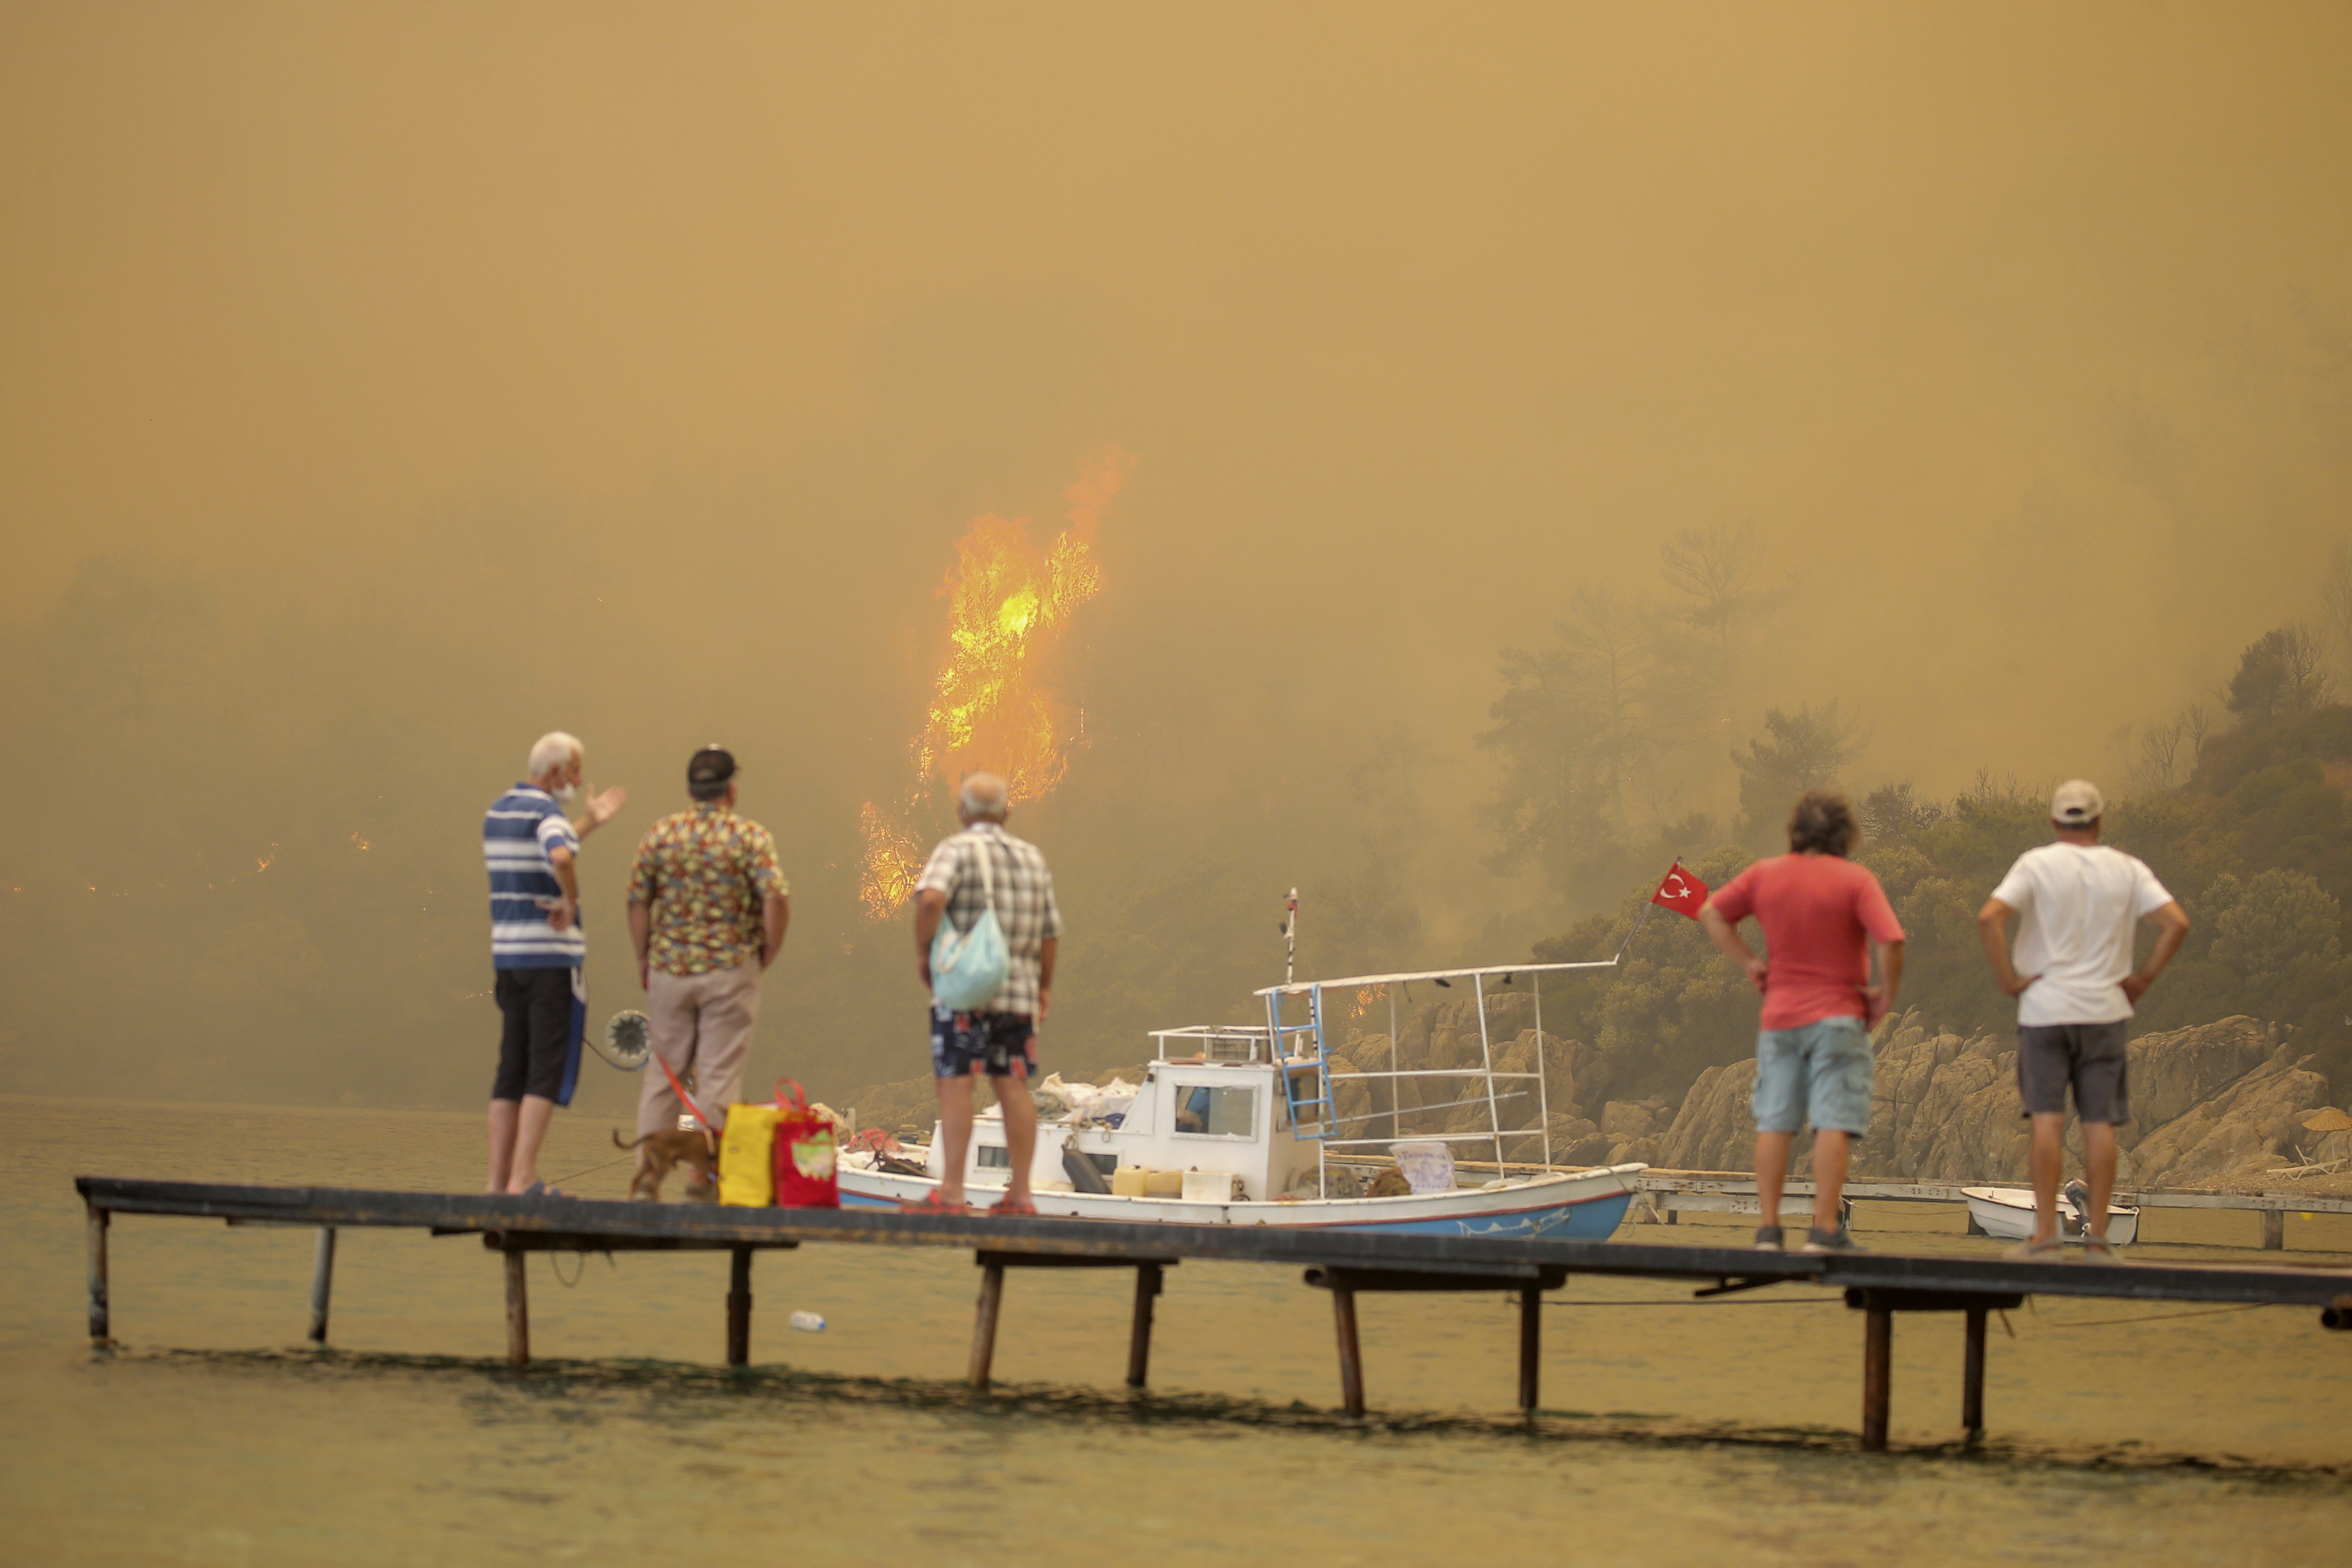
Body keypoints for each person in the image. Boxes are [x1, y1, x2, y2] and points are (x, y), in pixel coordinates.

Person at [1977, 779, 2190, 1262]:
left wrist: (2010, 981)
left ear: (2055, 822)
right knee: (2099, 1126)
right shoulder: (2128, 870)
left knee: (2047, 1125)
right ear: (2099, 821)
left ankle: (2046, 1238)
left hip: (2044, 1013)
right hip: (2104, 1013)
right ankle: (2097, 1240)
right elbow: (2177, 922)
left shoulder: (2035, 864)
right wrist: (2141, 980)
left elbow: (1989, 918)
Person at [1698, 790, 1905, 1254]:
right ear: (1843, 834)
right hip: (1838, 1018)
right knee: (1833, 1122)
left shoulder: (1765, 875)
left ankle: (1768, 1231)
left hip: (1781, 1020)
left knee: (1775, 1122)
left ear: (1796, 831)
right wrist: (1884, 994)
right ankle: (1825, 1231)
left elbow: (1711, 912)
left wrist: (1750, 963)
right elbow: (1891, 941)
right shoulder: (1856, 880)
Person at [625, 746, 790, 1171]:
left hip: (669, 973)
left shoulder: (662, 835)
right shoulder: (749, 837)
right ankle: (711, 1179)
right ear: (731, 789)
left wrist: (644, 956)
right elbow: (774, 897)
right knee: (719, 1077)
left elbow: (637, 901)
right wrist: (769, 947)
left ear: (690, 789)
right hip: (731, 972)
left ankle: (648, 1178)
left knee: (664, 1077)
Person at [909, 772, 1060, 1215]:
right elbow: (1050, 933)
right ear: (1006, 813)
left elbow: (933, 900)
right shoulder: (1032, 859)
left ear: (961, 811)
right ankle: (1021, 1194)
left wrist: (924, 954)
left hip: (963, 993)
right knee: (1012, 1084)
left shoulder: (955, 849)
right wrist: (1044, 988)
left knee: (957, 1082)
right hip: (1017, 996)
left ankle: (953, 1192)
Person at [484, 731, 626, 1196]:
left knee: (511, 1071)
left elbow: (553, 845)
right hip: (550, 962)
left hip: (508, 960)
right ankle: (523, 1178)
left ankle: (497, 1181)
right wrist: (572, 900)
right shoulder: (546, 812)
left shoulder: (499, 811)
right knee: (544, 1070)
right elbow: (560, 855)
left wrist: (589, 821)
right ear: (555, 772)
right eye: (577, 771)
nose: (580, 779)